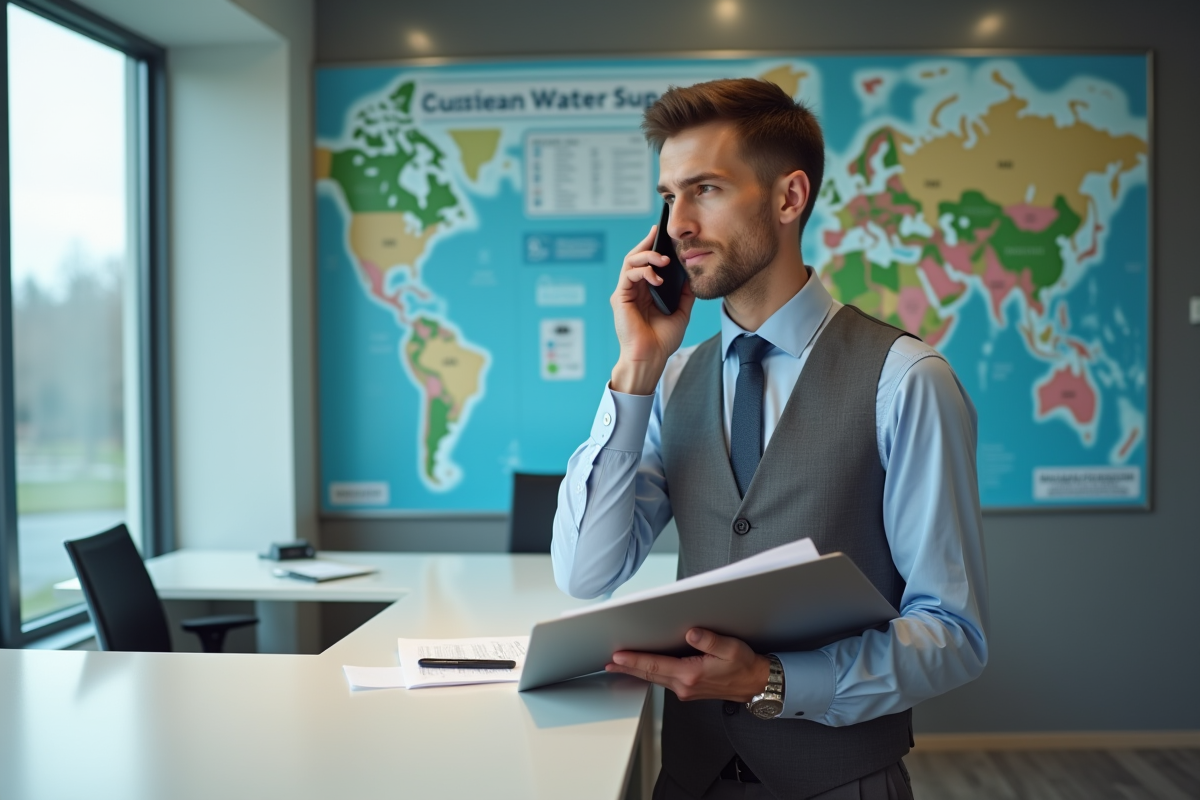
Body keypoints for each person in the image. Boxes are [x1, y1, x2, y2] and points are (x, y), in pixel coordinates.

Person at [551, 78, 988, 800]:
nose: (678, 224)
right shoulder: (670, 378)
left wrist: (771, 681)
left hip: (839, 782)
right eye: (668, 197)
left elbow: (953, 634)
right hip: (688, 780)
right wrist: (634, 367)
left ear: (789, 198)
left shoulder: (906, 380)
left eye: (706, 190)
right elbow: (585, 573)